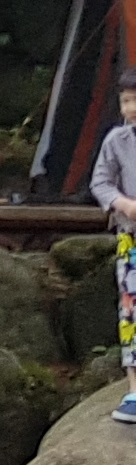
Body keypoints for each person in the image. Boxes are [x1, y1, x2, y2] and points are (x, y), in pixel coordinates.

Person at [95, 82, 136, 421]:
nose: (131, 108)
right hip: (131, 236)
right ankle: (134, 391)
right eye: (126, 101)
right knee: (131, 312)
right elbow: (101, 181)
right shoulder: (116, 141)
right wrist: (121, 203)